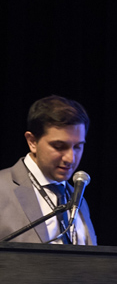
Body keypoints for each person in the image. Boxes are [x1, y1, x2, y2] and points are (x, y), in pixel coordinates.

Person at [0, 95, 96, 245]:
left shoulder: (78, 199)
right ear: (32, 142)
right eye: (59, 146)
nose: (70, 158)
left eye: (78, 147)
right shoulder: (3, 188)